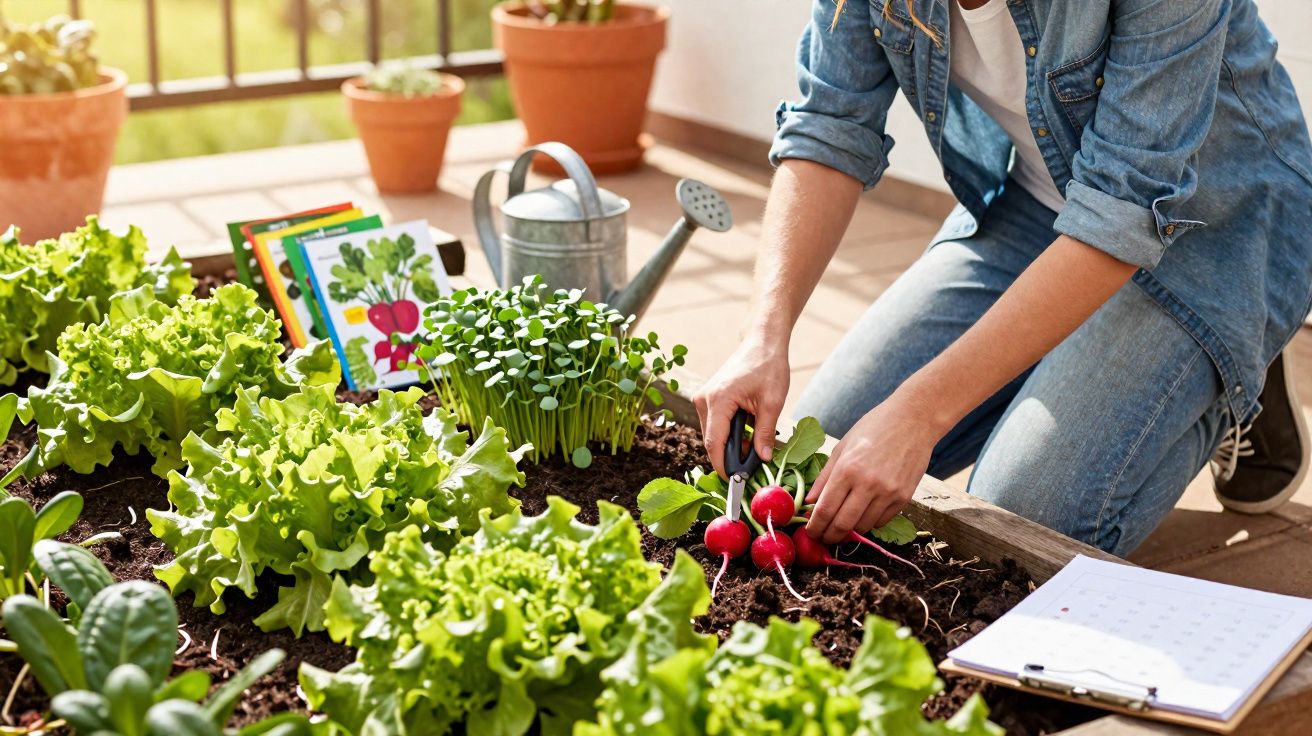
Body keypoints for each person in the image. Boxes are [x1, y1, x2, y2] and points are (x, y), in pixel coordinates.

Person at [694, 0, 1312, 556]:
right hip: (1044, 205)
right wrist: (764, 337)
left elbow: (1127, 205)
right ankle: (1146, 362)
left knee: (1021, 519)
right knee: (826, 453)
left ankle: (1234, 359)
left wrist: (921, 411)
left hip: (1217, 233)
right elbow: (830, 126)